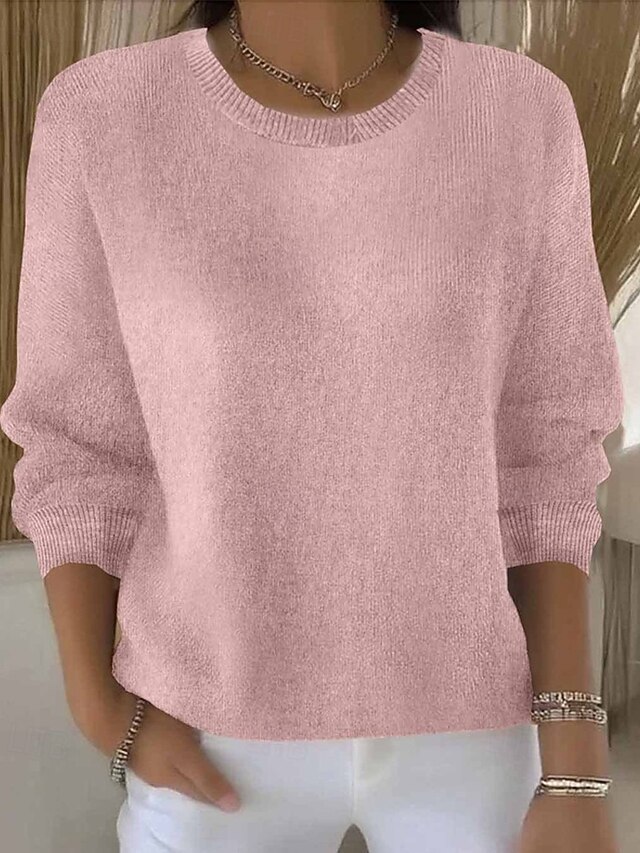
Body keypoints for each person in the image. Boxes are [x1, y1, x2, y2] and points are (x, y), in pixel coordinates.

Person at [0, 1, 625, 851]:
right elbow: (78, 445)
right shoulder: (102, 116)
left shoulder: (517, 113)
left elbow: (545, 459)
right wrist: (100, 706)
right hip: (207, 737)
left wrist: (575, 767)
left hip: (476, 735)